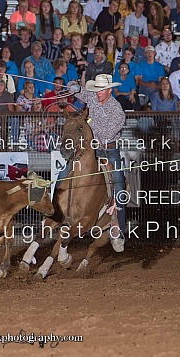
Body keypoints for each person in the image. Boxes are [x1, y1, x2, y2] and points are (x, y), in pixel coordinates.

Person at [69, 74, 127, 250]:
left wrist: (90, 127)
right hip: (92, 148)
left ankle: (118, 229)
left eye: (101, 90)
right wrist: (73, 86)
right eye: (97, 90)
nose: (98, 93)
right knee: (68, 171)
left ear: (109, 90)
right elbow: (77, 89)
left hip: (109, 150)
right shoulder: (93, 97)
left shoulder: (117, 110)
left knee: (119, 186)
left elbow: (107, 133)